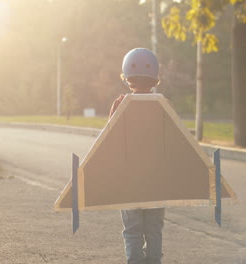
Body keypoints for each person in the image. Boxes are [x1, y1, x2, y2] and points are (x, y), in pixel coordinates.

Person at [108, 48, 165, 264]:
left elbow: (109, 142)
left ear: (126, 76)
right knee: (154, 231)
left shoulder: (120, 104)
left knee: (132, 231)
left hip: (129, 183)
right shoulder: (163, 105)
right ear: (155, 78)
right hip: (156, 184)